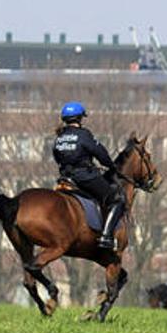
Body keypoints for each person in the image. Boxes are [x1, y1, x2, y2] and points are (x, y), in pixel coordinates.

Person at [52, 101, 124, 249]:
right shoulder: (84, 135)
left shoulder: (59, 137)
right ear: (79, 118)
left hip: (66, 178)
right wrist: (111, 166)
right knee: (117, 200)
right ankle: (106, 237)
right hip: (84, 177)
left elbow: (57, 157)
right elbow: (101, 153)